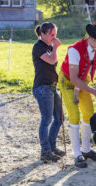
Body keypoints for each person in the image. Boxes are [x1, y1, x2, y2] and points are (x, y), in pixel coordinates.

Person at [58, 24, 96, 168]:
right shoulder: (74, 50)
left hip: (83, 81)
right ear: (91, 38)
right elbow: (74, 79)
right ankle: (77, 154)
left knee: (89, 115)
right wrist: (95, 92)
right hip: (68, 81)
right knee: (74, 116)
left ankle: (86, 150)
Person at [32, 22, 65, 162]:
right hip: (42, 87)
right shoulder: (38, 46)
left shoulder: (48, 46)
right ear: (43, 34)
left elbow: (53, 63)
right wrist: (56, 47)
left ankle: (51, 146)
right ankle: (45, 151)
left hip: (52, 86)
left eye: (55, 34)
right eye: (52, 34)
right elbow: (52, 61)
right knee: (46, 119)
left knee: (60, 118)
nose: (54, 37)